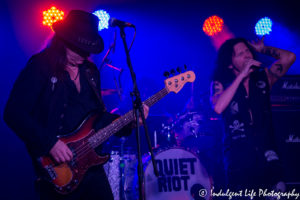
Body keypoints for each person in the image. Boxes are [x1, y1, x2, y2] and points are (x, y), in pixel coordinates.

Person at [3, 10, 149, 200]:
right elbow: (13, 113)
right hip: (59, 169)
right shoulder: (41, 66)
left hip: (91, 165)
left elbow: (98, 117)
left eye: (88, 49)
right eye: (79, 48)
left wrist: (130, 121)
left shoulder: (90, 71)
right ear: (64, 41)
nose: (85, 54)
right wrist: (49, 143)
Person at [210, 37, 296, 194]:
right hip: (238, 156)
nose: (247, 55)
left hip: (268, 152)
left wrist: (262, 49)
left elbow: (290, 57)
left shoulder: (264, 78)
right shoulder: (221, 82)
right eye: (240, 53)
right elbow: (218, 107)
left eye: (247, 51)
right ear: (230, 63)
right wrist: (241, 76)